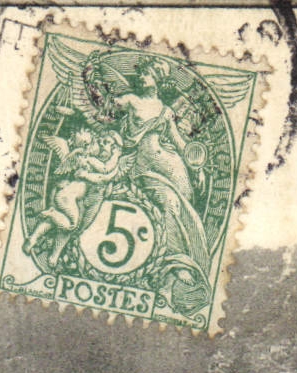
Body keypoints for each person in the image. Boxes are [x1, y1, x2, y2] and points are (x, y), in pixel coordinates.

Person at [116, 60, 212, 309]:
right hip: (144, 166)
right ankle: (176, 264)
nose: (141, 78)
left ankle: (184, 269)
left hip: (171, 164)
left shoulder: (165, 110)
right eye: (141, 74)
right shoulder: (129, 100)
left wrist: (196, 167)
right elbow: (104, 110)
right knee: (169, 202)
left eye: (146, 74)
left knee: (186, 201)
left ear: (157, 79)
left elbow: (179, 143)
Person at [24, 127, 124, 267]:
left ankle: (37, 242)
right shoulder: (89, 158)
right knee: (71, 225)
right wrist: (115, 157)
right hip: (68, 197)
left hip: (72, 198)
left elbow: (106, 173)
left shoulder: (93, 158)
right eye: (102, 141)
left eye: (108, 143)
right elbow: (104, 172)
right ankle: (51, 214)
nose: (103, 144)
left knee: (65, 225)